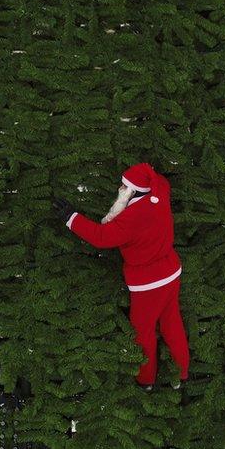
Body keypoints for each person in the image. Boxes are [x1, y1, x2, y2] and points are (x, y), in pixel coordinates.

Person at [53, 163, 190, 389]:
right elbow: (160, 181)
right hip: (170, 272)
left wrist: (72, 218)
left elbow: (101, 237)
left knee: (142, 332)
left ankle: (146, 379)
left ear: (134, 191)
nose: (120, 189)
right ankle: (181, 373)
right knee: (171, 322)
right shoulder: (160, 193)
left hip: (149, 284)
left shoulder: (133, 217)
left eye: (124, 187)